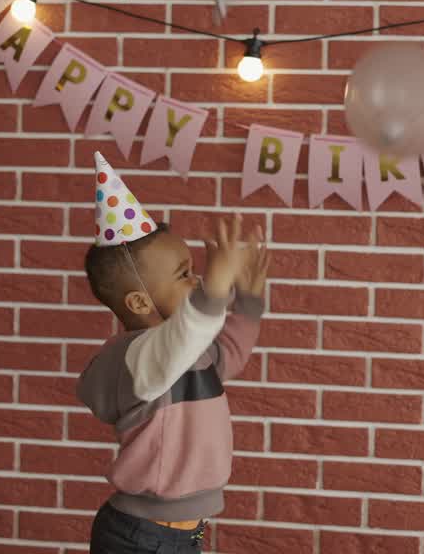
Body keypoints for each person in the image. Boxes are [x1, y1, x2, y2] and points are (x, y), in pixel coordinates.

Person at [78, 152, 270, 553]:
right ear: (139, 302)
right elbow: (185, 335)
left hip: (180, 534)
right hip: (140, 538)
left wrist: (248, 303)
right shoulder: (137, 361)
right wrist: (214, 292)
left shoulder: (188, 352)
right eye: (184, 274)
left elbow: (229, 351)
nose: (197, 279)